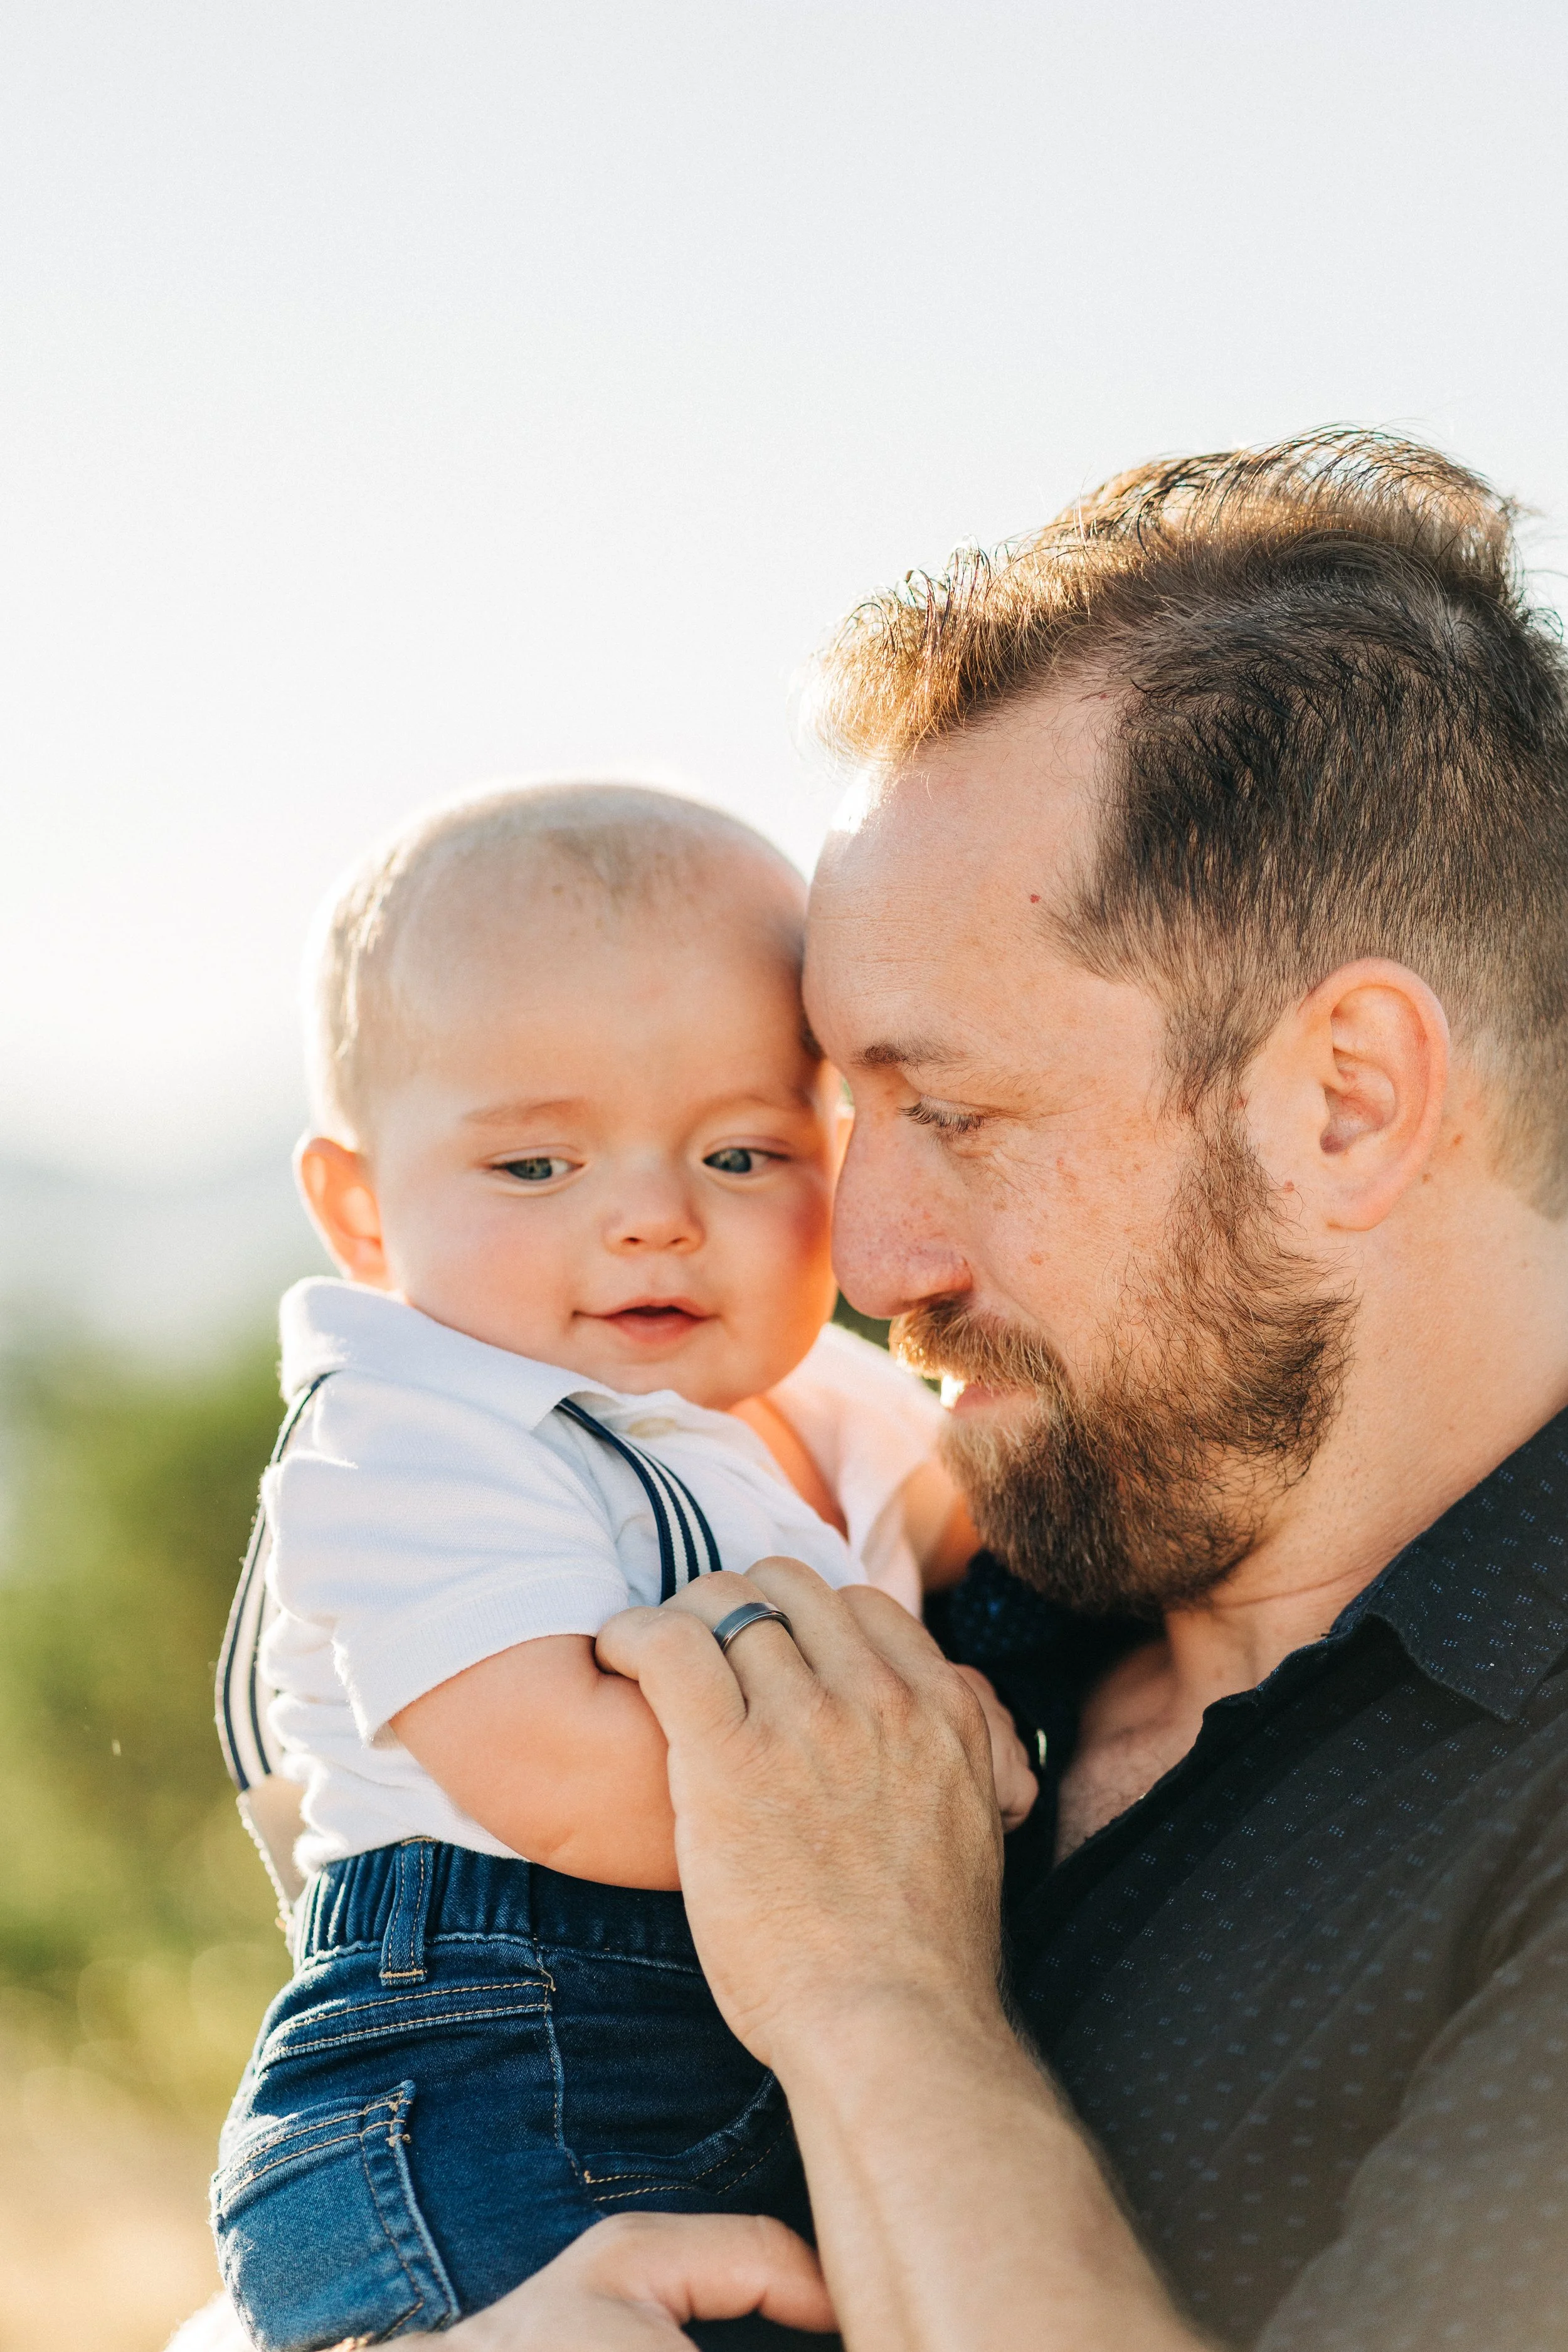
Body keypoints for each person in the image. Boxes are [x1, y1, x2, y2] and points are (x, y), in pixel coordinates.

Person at [426, 430, 1568, 2350]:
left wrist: (877, 1988)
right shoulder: (893, 1563)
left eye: (952, 1110)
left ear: (1345, 1097)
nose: (868, 1266)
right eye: (841, 1116)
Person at [209, 783, 1034, 2351]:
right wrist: (925, 1766)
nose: (653, 1219)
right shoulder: (414, 1427)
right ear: (362, 1213)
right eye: (535, 1170)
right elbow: (556, 1768)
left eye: (738, 1154)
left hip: (732, 2039)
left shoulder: (834, 1405)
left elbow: (972, 1537)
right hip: (484, 2071)